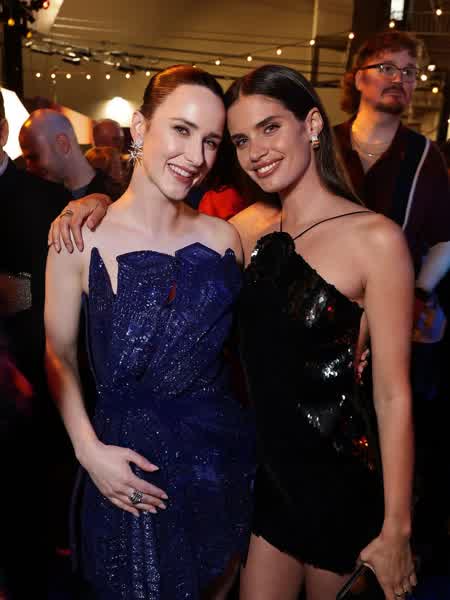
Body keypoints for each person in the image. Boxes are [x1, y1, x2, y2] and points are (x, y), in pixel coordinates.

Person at [49, 65, 416, 600]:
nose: (254, 151)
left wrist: (398, 528)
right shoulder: (248, 232)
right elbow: (156, 231)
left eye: (269, 128)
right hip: (252, 481)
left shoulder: (361, 239)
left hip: (320, 479)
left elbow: (392, 393)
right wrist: (92, 200)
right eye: (240, 140)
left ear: (313, 125)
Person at [44, 65, 255, 600]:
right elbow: (58, 353)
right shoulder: (79, 237)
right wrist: (88, 450)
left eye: (210, 141)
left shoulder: (225, 238)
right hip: (125, 468)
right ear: (140, 127)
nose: (196, 156)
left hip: (217, 463)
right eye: (181, 129)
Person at [335, 30, 450, 571]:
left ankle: (379, 553)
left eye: (409, 72)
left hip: (391, 318)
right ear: (358, 77)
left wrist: (420, 294)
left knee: (384, 443)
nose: (399, 79)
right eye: (387, 67)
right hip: (321, 315)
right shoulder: (323, 144)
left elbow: (445, 238)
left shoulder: (426, 156)